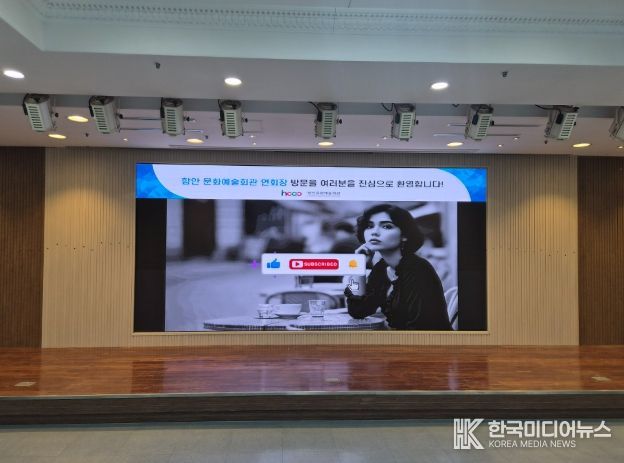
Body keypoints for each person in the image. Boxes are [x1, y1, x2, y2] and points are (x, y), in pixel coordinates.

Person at [345, 204, 451, 330]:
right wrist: (358, 266)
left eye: (386, 226)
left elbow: (419, 328)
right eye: (370, 226)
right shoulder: (381, 268)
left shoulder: (418, 269)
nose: (374, 232)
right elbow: (357, 311)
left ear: (404, 235)